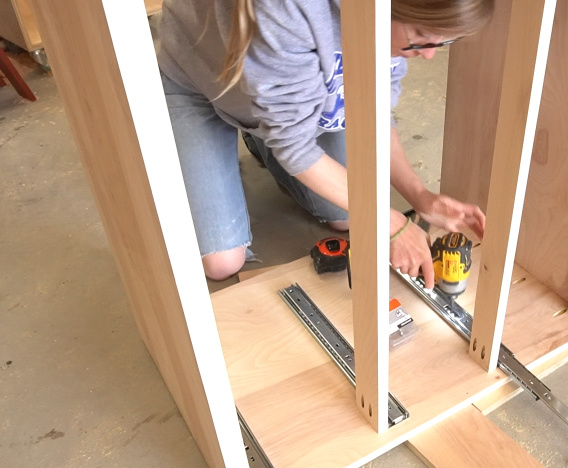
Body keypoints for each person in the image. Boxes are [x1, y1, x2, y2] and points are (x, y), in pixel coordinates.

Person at [156, 0, 492, 284]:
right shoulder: (287, 8)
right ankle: (267, 127)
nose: (429, 56)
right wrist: (391, 223)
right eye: (420, 37)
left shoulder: (387, 23)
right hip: (198, 85)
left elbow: (375, 113)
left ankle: (268, 129)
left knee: (346, 216)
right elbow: (296, 147)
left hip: (280, 94)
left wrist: (419, 196)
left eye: (442, 42)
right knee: (222, 263)